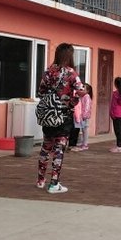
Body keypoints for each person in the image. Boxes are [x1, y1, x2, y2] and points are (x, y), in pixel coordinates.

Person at [36, 43, 83, 193]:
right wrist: (72, 101)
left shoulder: (48, 72)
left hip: (48, 116)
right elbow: (81, 91)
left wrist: (52, 100)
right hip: (63, 116)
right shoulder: (71, 73)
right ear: (69, 56)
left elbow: (41, 92)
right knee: (59, 149)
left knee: (45, 147)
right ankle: (54, 184)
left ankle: (40, 180)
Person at [109, 77, 121, 153]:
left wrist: (111, 113)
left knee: (117, 131)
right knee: (120, 131)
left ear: (115, 84)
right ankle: (119, 146)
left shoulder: (116, 93)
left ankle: (119, 147)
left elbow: (113, 104)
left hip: (116, 114)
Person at [75, 84, 93, 151]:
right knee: (83, 130)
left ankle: (85, 144)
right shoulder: (82, 96)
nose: (81, 89)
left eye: (83, 88)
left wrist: (84, 115)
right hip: (82, 115)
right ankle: (83, 143)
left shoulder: (87, 96)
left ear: (87, 91)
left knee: (85, 130)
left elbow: (87, 107)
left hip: (85, 116)